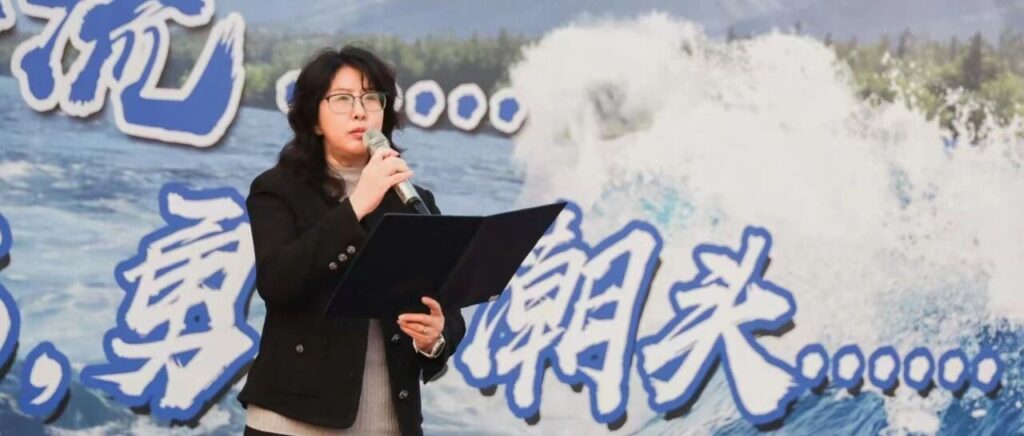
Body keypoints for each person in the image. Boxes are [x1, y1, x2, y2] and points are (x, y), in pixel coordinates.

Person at [237, 45, 465, 436]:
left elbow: (448, 302)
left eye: (371, 98)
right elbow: (278, 282)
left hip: (390, 423)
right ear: (313, 119)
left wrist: (435, 339)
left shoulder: (413, 199)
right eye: (342, 99)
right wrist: (357, 204)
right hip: (293, 421)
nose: (360, 111)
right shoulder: (277, 190)